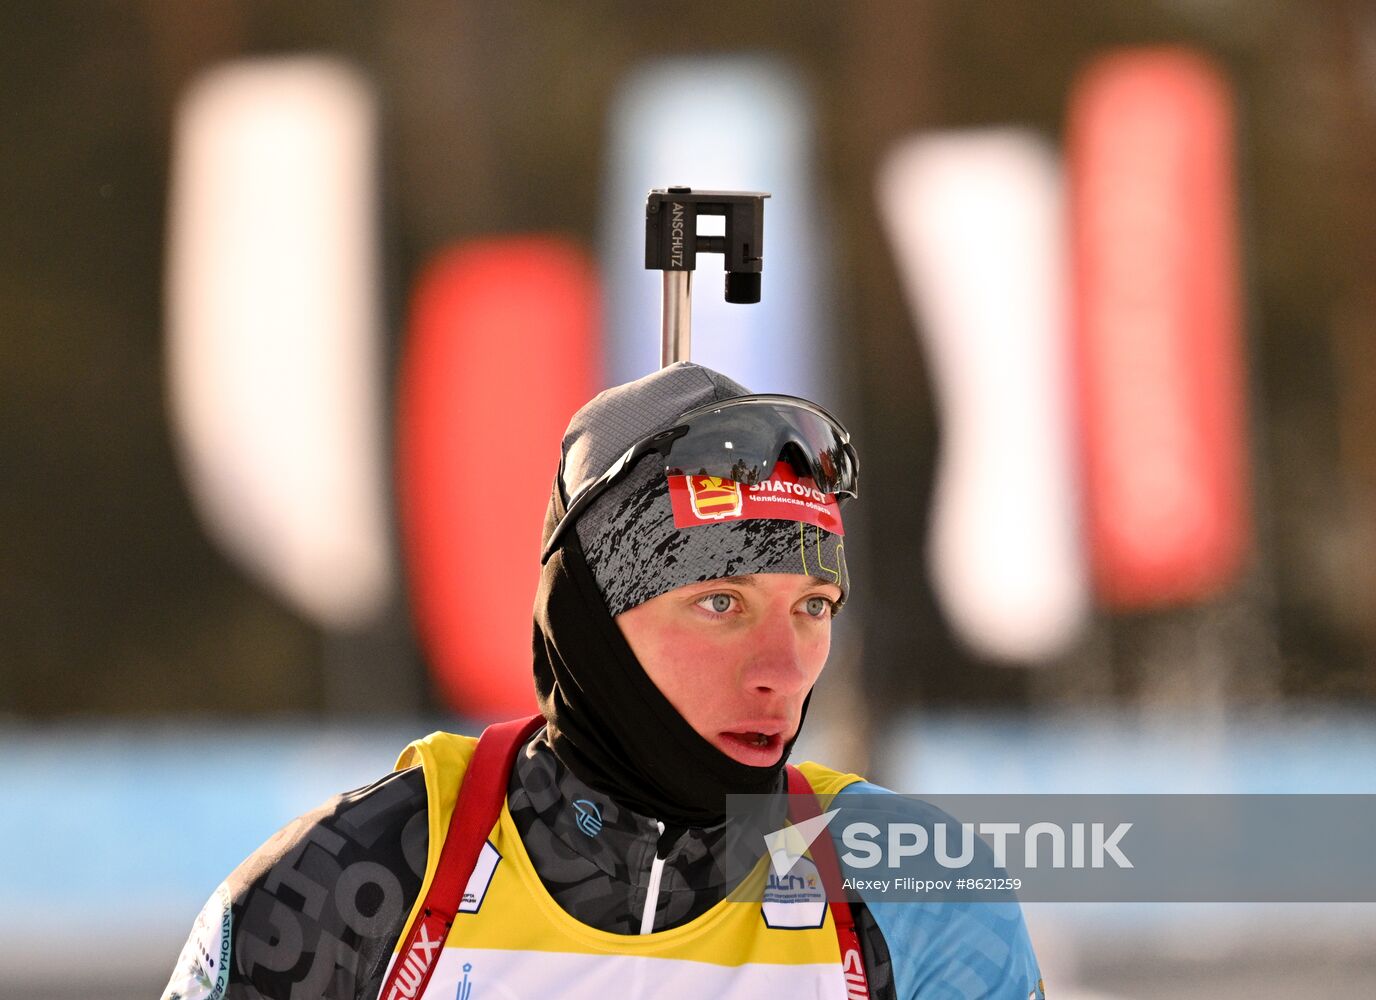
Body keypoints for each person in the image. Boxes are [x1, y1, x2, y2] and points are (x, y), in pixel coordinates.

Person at [162, 362, 1045, 1000]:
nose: (782, 670)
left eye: (813, 607)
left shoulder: (914, 895)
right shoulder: (355, 882)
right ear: (590, 625)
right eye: (721, 604)